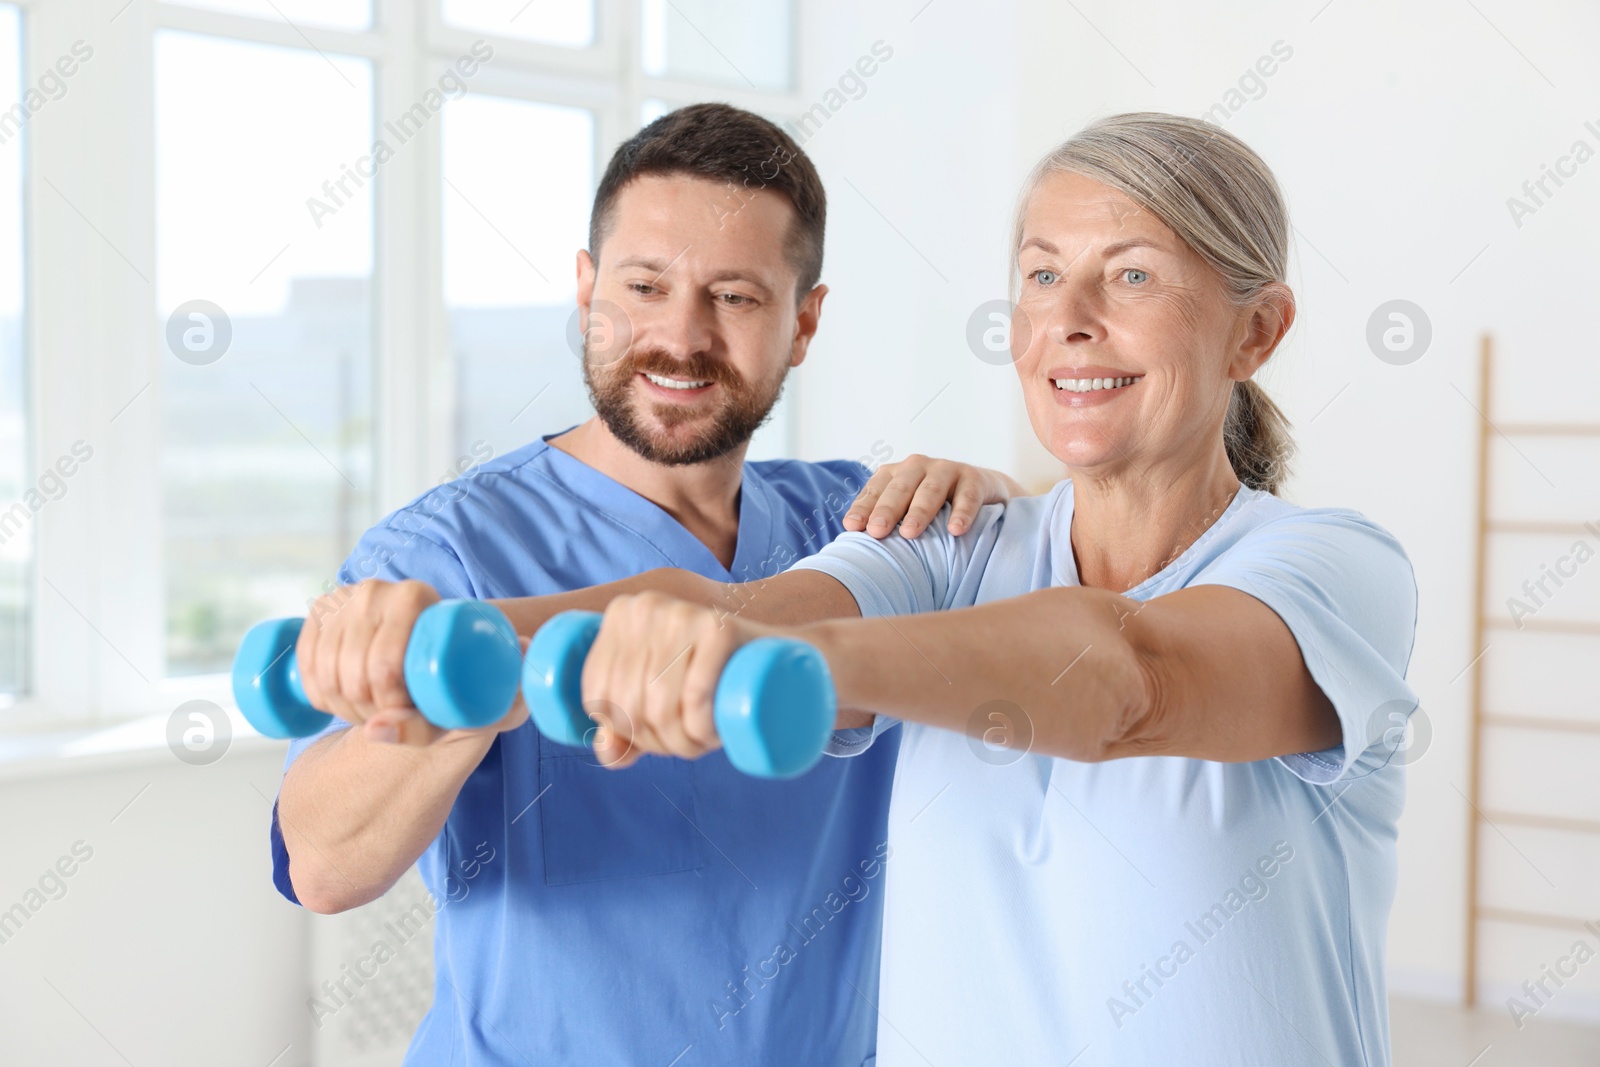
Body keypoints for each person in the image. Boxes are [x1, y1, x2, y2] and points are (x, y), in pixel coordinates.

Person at [442, 112, 1419, 1064]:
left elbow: (1133, 674)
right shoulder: (953, 543)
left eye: (1130, 275)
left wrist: (785, 662)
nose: (1070, 321)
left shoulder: (1331, 568)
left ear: (1256, 332)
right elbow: (738, 605)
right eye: (1041, 276)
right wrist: (444, 629)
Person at [273, 102, 1024, 1067]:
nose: (681, 336)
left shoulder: (861, 525)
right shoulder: (448, 553)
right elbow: (323, 865)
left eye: (737, 297)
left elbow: (1058, 590)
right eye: (644, 284)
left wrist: (994, 494)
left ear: (804, 322)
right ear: (588, 290)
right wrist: (468, 685)